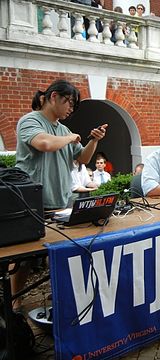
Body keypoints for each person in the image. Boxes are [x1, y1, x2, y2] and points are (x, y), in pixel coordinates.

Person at [14, 79, 107, 310]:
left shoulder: (64, 129)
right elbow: (44, 143)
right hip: (32, 203)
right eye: (69, 103)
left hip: (61, 201)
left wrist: (93, 140)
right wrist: (71, 137)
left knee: (60, 252)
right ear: (53, 96)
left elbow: (83, 159)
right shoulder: (30, 121)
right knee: (23, 258)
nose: (71, 110)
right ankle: (15, 302)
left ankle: (58, 297)